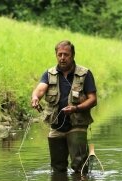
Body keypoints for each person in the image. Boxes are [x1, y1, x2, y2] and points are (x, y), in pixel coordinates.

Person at [31, 40, 97, 174]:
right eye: (59, 54)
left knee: (80, 167)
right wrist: (35, 98)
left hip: (77, 125)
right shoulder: (49, 74)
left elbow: (93, 99)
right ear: (56, 55)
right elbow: (40, 89)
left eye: (66, 54)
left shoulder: (85, 74)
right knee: (57, 168)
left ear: (72, 55)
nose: (62, 58)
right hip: (56, 126)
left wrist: (76, 108)